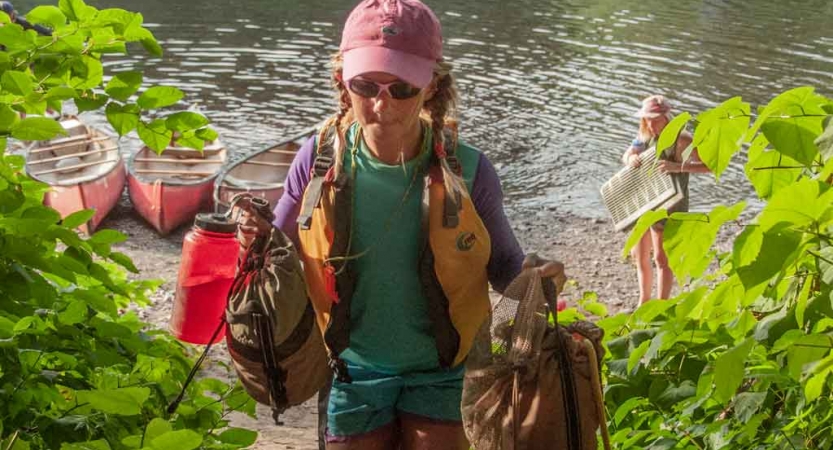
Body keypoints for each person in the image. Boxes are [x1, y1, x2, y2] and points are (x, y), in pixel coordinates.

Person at [236, 0, 566, 448]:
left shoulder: (469, 169)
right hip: (350, 368)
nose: (381, 103)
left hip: (444, 370)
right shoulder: (316, 161)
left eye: (402, 88)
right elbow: (282, 252)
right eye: (365, 84)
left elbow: (505, 265)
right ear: (341, 80)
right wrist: (254, 239)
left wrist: (536, 276)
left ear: (432, 86)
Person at [620, 95, 710, 303]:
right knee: (638, 253)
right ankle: (644, 301)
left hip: (671, 204)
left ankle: (661, 303)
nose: (651, 123)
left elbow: (709, 166)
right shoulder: (644, 136)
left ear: (667, 117)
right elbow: (628, 153)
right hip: (644, 201)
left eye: (655, 119)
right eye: (647, 119)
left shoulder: (682, 139)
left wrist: (678, 167)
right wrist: (630, 159)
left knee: (662, 258)